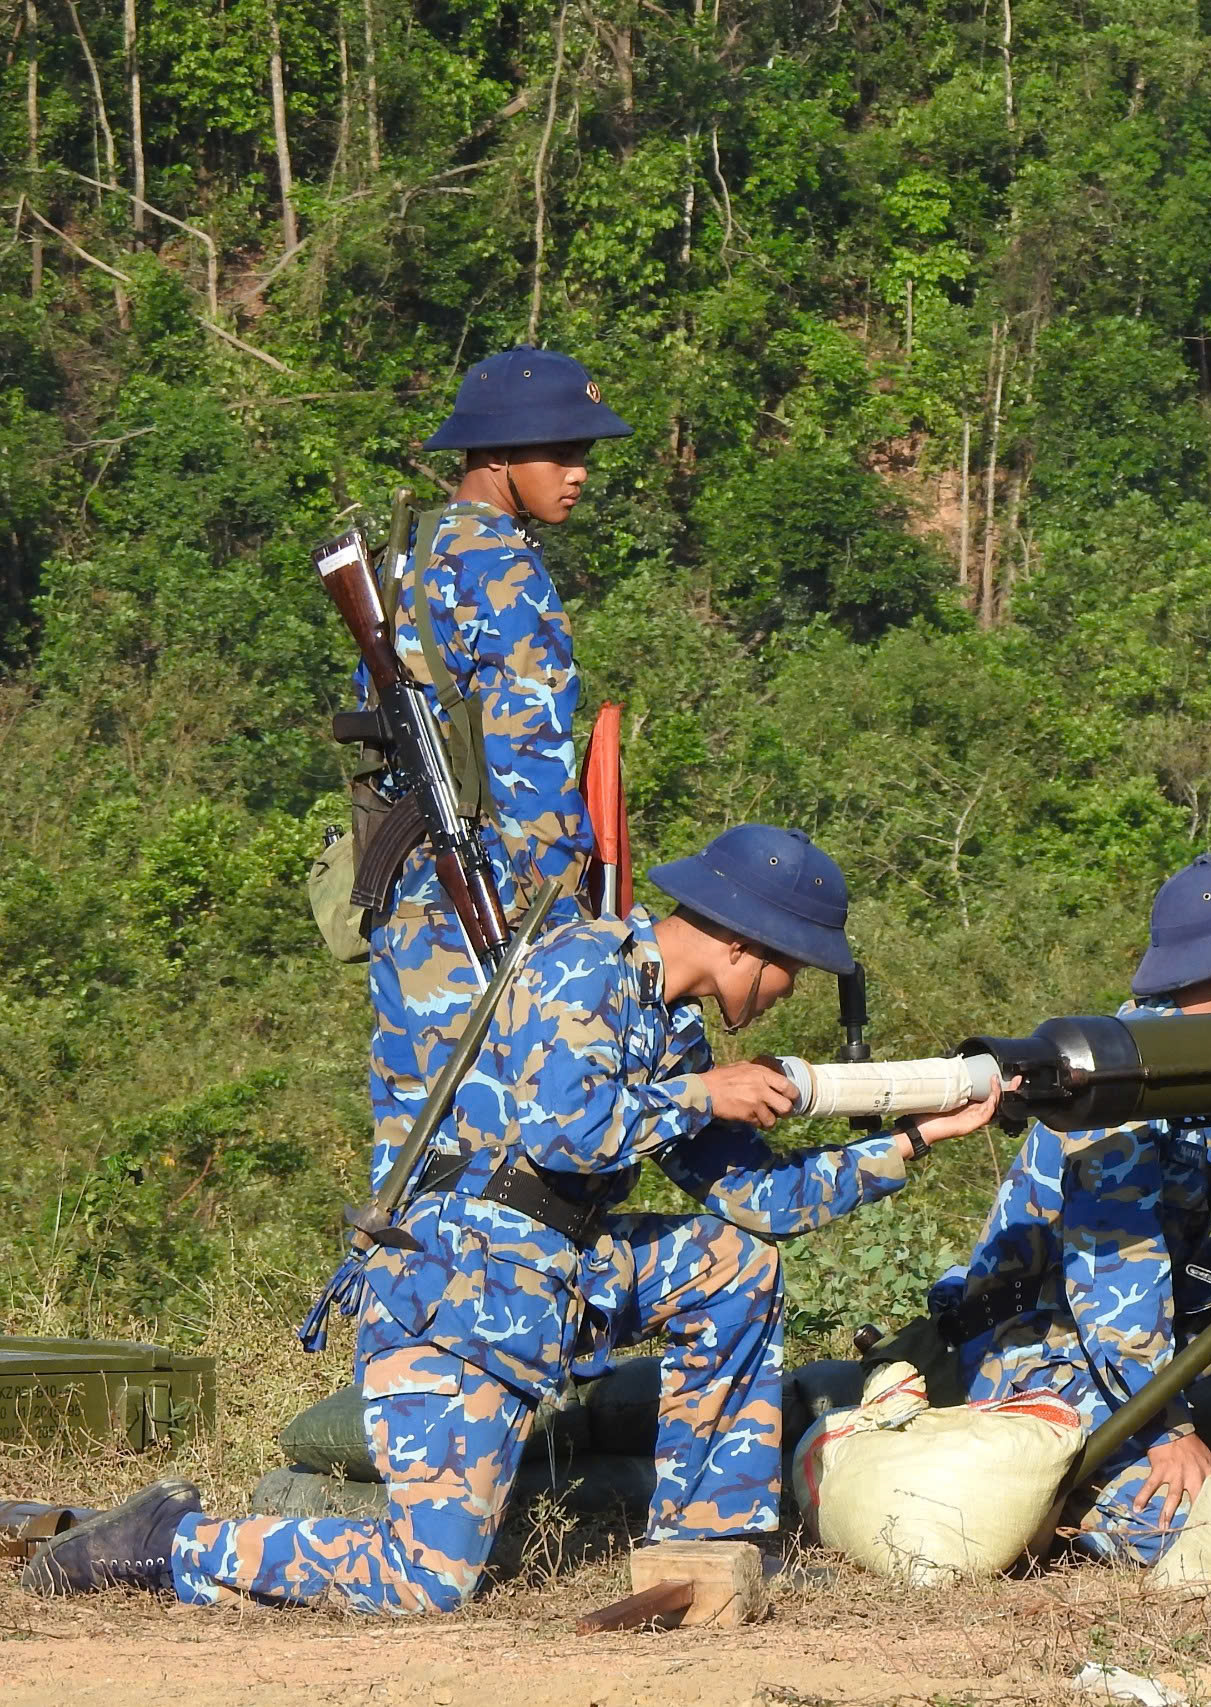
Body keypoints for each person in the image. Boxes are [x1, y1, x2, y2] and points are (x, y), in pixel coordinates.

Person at [27, 825, 1005, 1610]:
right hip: (458, 1284)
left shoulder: (671, 1025)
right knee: (425, 1582)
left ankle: (707, 1538)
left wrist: (917, 1139)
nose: (792, 993)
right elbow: (566, 1135)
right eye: (796, 969)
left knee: (735, 1262)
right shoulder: (584, 966)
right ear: (747, 944)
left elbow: (762, 1202)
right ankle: (171, 1541)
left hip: (555, 1271)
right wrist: (704, 1094)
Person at [927, 851, 1211, 1565]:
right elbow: (1112, 1282)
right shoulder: (1122, 1081)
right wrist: (1167, 1428)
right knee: (1191, 1530)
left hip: (1134, 1328)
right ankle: (1083, 1494)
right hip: (1040, 1343)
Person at [366, 347, 632, 1196]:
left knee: (412, 1153)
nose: (580, 472)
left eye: (584, 452)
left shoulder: (413, 553)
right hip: (489, 894)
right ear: (499, 455)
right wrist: (569, 914)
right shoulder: (505, 566)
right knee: (495, 1171)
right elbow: (531, 752)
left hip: (410, 896)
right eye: (563, 451)